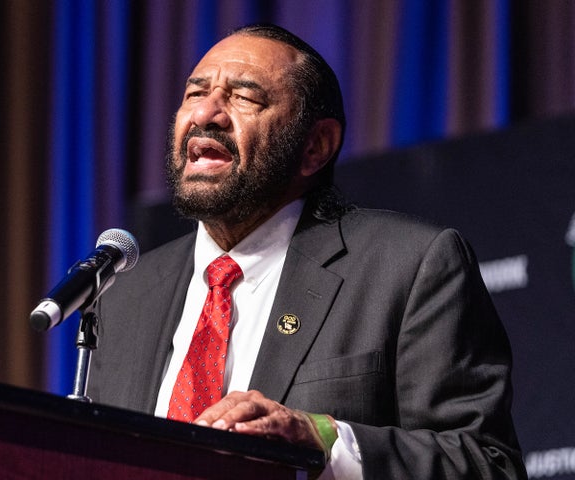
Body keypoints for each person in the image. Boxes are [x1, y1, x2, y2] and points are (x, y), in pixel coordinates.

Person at [87, 24, 526, 479]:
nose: (206, 114)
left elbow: (486, 464)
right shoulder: (127, 293)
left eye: (244, 98)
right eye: (195, 93)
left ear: (316, 146)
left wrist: (323, 439)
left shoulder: (409, 266)